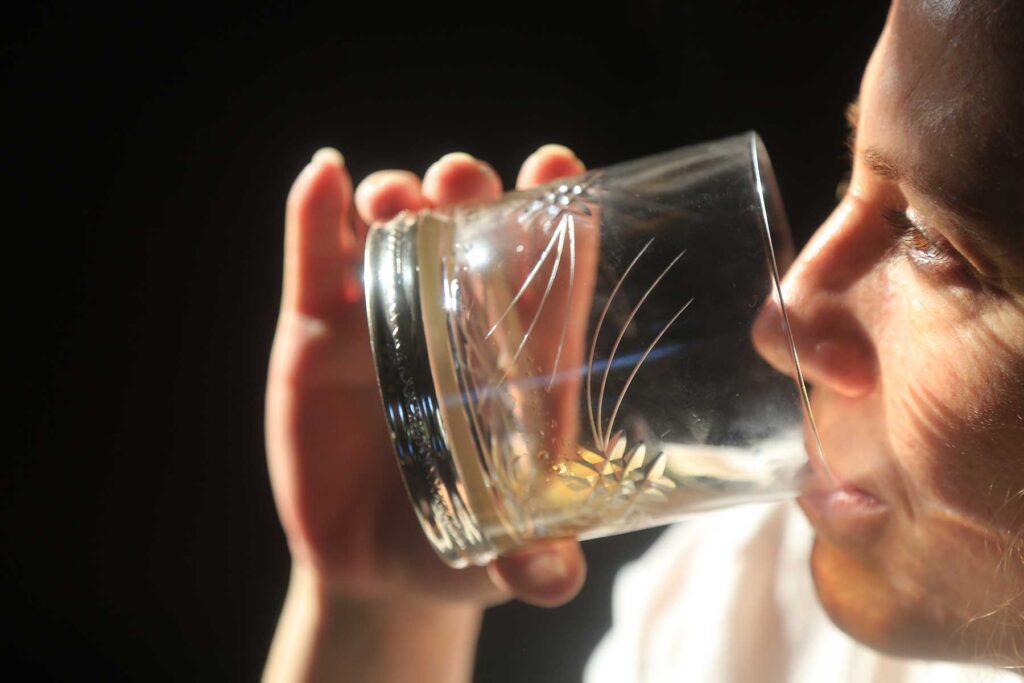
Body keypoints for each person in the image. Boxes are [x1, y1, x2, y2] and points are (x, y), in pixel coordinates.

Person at [262, 0, 1024, 679]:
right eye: (849, 173)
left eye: (934, 244)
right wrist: (379, 607)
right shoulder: (745, 600)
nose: (782, 318)